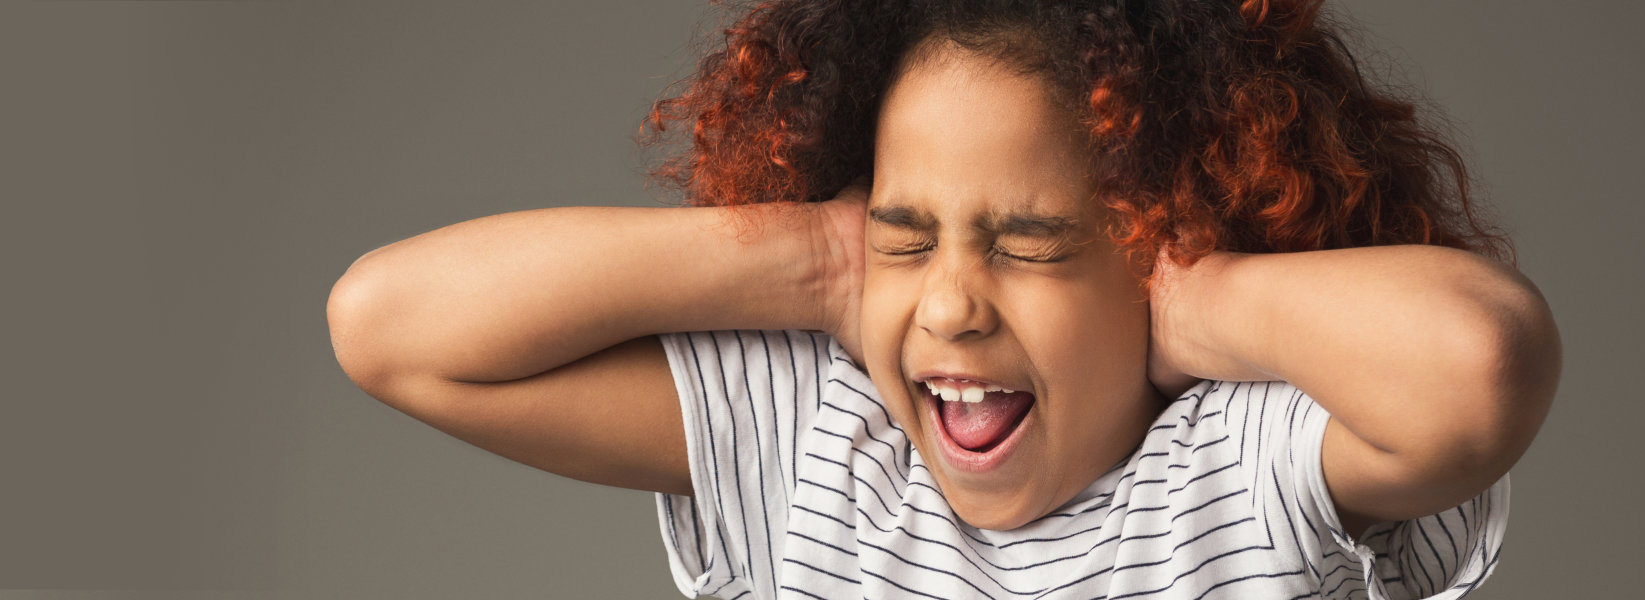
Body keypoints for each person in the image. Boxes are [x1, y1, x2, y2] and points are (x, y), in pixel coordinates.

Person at [325, 0, 1561, 598]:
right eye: (905, 240)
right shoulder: (822, 451)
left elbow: (1478, 362)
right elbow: (392, 328)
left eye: (1032, 244)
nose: (953, 307)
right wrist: (818, 261)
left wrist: (1187, 300)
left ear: (1154, 238)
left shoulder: (1244, 468)